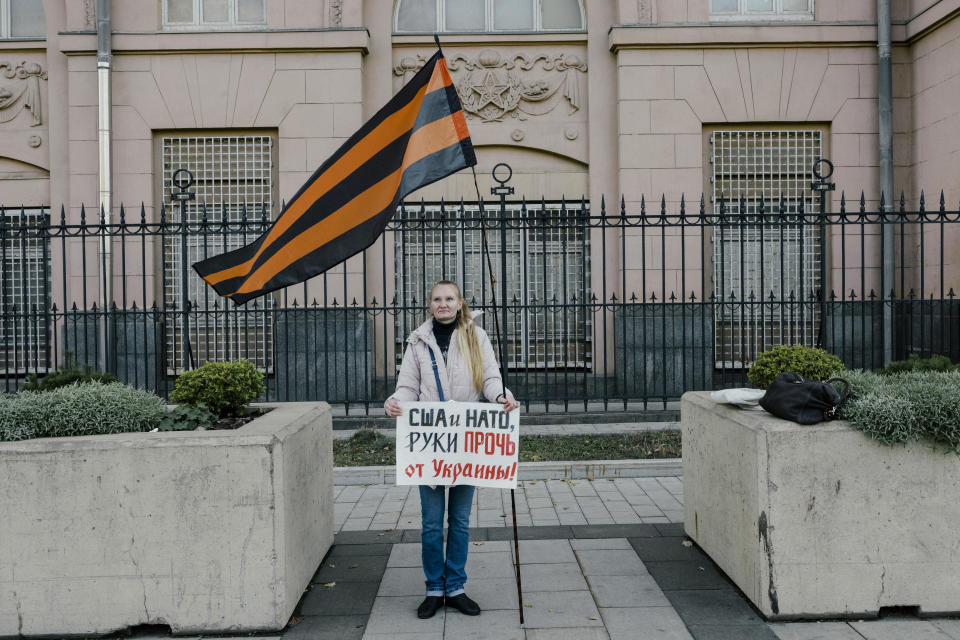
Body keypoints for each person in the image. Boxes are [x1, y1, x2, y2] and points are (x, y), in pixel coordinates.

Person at [385, 280, 519, 619]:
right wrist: (395, 402)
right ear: (429, 304)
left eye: (449, 299)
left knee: (459, 521)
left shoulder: (477, 336)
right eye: (437, 299)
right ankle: (434, 587)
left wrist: (501, 396)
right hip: (431, 446)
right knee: (432, 523)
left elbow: (489, 378)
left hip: (466, 443)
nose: (443, 304)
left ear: (460, 303)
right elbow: (408, 386)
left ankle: (455, 586)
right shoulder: (417, 341)